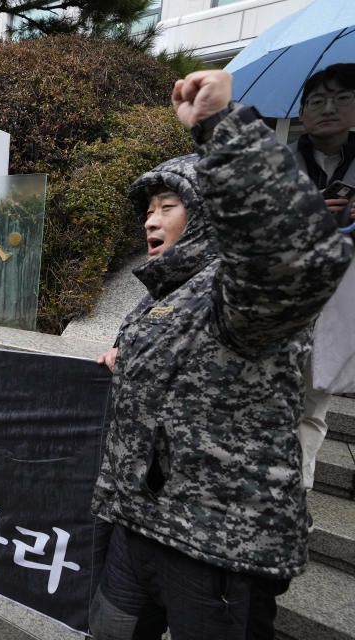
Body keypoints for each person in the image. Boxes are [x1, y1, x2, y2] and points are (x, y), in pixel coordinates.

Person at [89, 70, 352, 639]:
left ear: (211, 213)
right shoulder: (165, 293)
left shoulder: (242, 293)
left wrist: (222, 128)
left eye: (167, 205)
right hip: (136, 530)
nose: (150, 219)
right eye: (148, 208)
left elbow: (293, 258)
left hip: (215, 552)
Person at [289, 63, 355, 504]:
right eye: (317, 100)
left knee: (312, 405)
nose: (328, 108)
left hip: (341, 306)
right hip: (283, 302)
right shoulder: (274, 167)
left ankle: (294, 496)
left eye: (342, 98)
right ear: (302, 111)